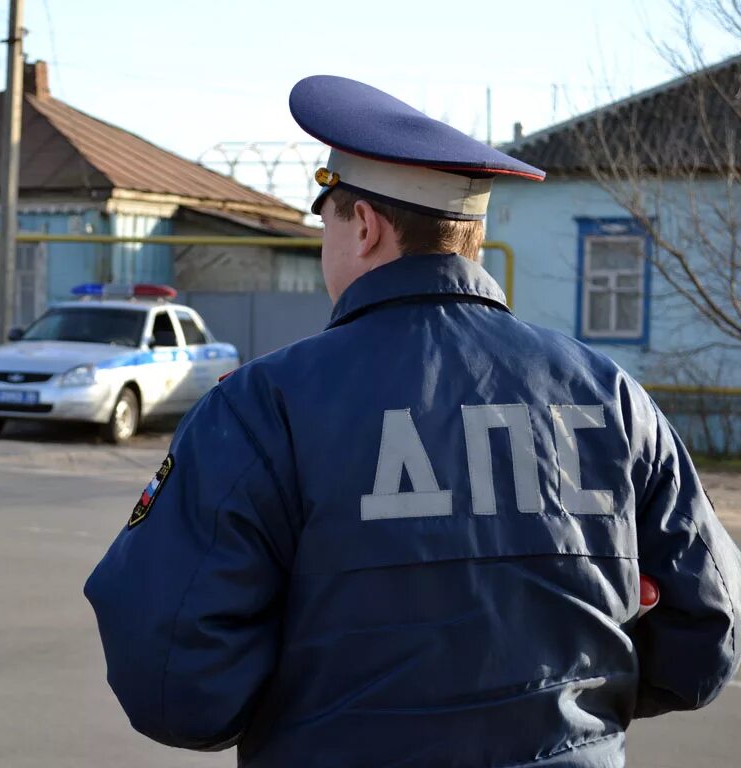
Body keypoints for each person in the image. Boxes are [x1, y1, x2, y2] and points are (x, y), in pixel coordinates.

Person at [84, 75, 741, 767]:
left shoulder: (263, 405)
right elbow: (705, 633)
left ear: (363, 226)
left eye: (326, 223)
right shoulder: (611, 395)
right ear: (471, 237)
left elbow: (173, 682)